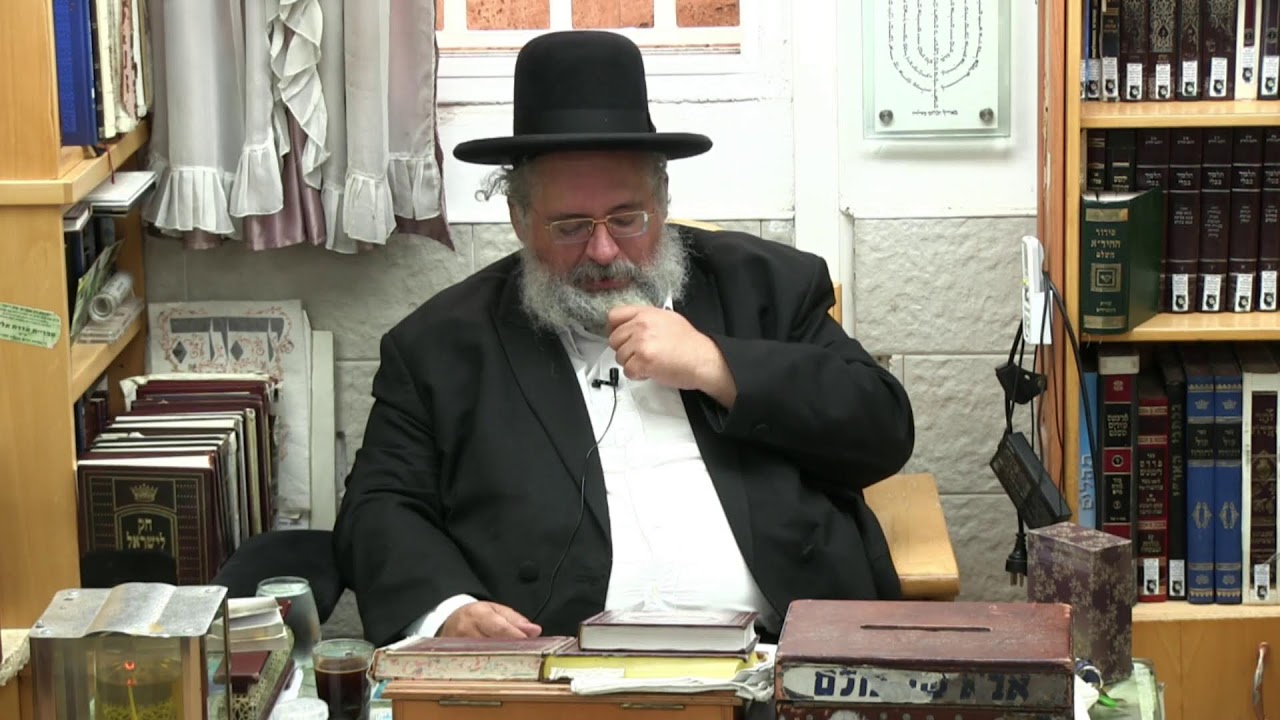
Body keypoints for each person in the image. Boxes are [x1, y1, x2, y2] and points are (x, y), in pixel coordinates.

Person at [333, 30, 915, 648]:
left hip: (780, 657)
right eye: (570, 226)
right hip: (557, 674)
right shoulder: (438, 347)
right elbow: (379, 507)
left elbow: (881, 431)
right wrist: (448, 609)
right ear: (520, 221)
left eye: (627, 218)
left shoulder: (766, 287)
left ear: (662, 202)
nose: (604, 249)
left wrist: (719, 366)